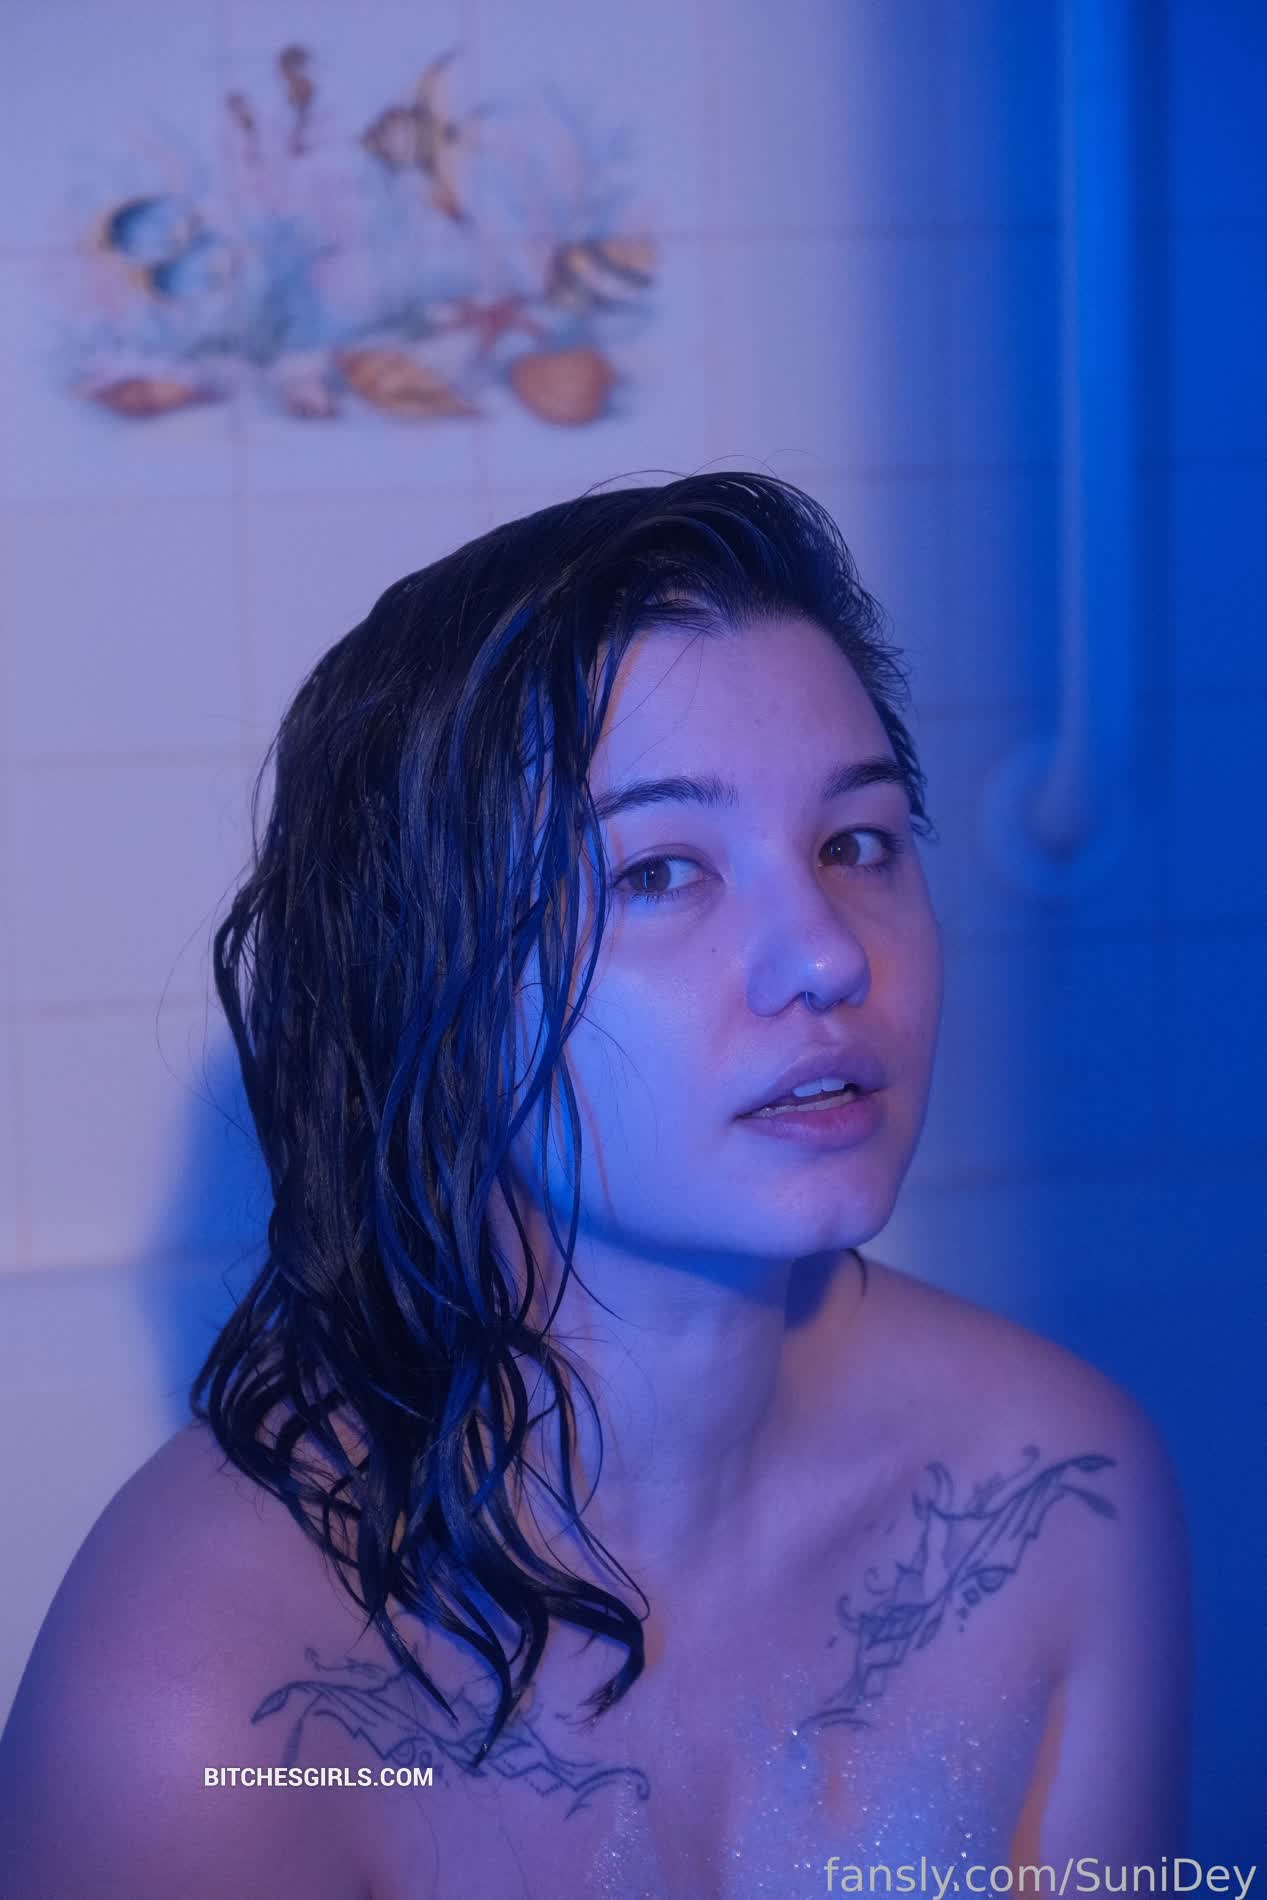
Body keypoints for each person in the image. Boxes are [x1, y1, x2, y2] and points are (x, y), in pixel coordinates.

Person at [0, 472, 1192, 1895]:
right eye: (660, 874)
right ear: (423, 980)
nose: (829, 953)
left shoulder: (1051, 1497)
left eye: (855, 843)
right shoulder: (212, 1699)